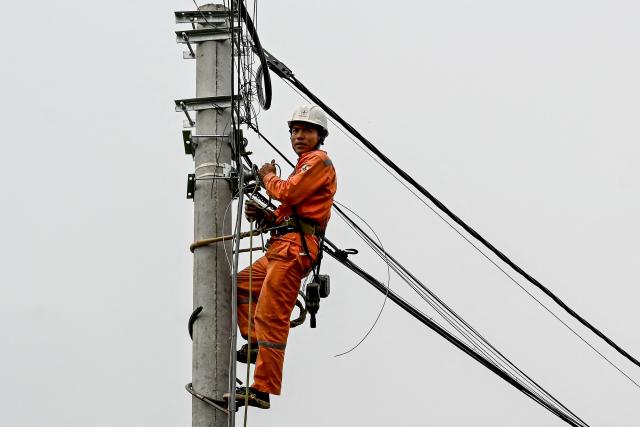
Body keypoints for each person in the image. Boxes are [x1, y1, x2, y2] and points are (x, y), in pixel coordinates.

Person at [224, 105, 337, 409]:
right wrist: (266, 214)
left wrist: (267, 177)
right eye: (296, 131)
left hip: (295, 250)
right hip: (282, 246)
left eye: (307, 131)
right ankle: (257, 341)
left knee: (271, 316)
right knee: (241, 284)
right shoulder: (304, 164)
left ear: (319, 136)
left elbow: (287, 192)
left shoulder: (318, 162)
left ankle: (262, 390)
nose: (300, 136)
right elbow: (288, 208)